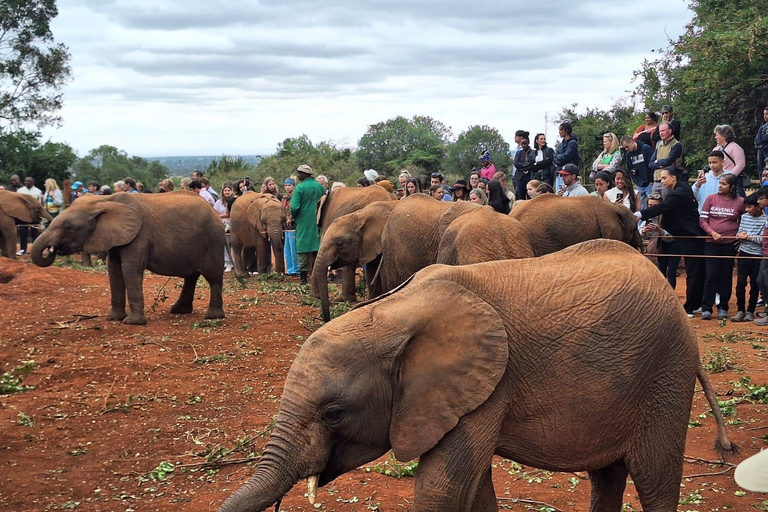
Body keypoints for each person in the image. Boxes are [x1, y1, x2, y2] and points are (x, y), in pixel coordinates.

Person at [635, 167, 705, 317]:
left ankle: (691, 307)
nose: (662, 181)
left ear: (674, 178)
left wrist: (640, 214)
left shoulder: (678, 193)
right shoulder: (682, 188)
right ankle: (696, 303)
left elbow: (662, 207)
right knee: (695, 271)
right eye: (660, 178)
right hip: (680, 235)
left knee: (694, 271)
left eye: (664, 178)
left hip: (691, 236)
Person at [699, 173, 745, 320]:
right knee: (710, 275)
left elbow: (746, 218)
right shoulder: (711, 198)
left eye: (724, 184)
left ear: (732, 187)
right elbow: (703, 220)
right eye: (720, 183)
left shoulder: (740, 202)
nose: (720, 186)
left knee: (726, 275)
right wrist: (712, 233)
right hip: (711, 243)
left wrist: (740, 234)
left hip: (729, 244)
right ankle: (707, 307)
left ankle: (723, 307)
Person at [732, 193, 766, 322]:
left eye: (749, 207)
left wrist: (748, 236)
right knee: (740, 283)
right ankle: (740, 310)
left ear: (758, 207)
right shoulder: (744, 217)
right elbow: (739, 233)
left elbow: (763, 240)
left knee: (754, 284)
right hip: (744, 253)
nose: (746, 210)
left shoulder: (765, 220)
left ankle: (750, 311)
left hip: (757, 255)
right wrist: (741, 236)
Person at [291, 164, 326, 285]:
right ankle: (318, 278)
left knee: (302, 248)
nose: (298, 175)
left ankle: (303, 279)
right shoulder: (320, 187)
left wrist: (293, 216)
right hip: (318, 220)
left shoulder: (300, 188)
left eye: (300, 173)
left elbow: (294, 206)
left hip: (303, 221)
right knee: (317, 246)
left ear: (305, 174)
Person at [641, 192, 675, 283]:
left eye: (655, 206)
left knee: (671, 272)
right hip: (659, 247)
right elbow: (639, 232)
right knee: (660, 271)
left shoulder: (667, 216)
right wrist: (644, 231)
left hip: (672, 246)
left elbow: (672, 237)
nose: (652, 208)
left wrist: (660, 231)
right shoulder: (647, 216)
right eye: (650, 205)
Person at [620, 135, 654, 207]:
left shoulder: (645, 149)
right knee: (641, 207)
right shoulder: (629, 154)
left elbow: (652, 164)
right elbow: (629, 169)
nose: (626, 149)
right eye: (624, 148)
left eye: (627, 146)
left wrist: (651, 180)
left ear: (631, 142)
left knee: (652, 204)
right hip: (639, 184)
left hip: (649, 183)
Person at [648, 122, 683, 192]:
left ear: (670, 131)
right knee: (654, 202)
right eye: (660, 131)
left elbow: (668, 161)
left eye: (663, 131)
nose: (661, 133)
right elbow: (650, 164)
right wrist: (661, 165)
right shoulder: (659, 145)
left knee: (668, 202)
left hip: (669, 182)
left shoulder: (676, 145)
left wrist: (657, 161)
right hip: (656, 181)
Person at [713, 124, 746, 195]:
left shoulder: (735, 148)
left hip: (733, 182)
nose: (715, 137)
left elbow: (740, 164)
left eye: (717, 135)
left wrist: (730, 177)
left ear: (724, 136)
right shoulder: (716, 149)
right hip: (718, 179)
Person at [16, 177, 42, 255]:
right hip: (23, 213)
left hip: (34, 214)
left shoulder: (38, 191)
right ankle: (23, 249)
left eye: (29, 182)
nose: (27, 183)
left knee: (35, 231)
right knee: (23, 231)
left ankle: (35, 249)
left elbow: (40, 204)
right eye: (26, 181)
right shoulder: (20, 191)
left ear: (33, 182)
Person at [214, 184, 235, 272]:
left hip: (233, 224)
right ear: (223, 192)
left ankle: (234, 262)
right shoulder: (219, 202)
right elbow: (214, 213)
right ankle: (227, 263)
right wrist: (223, 216)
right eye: (225, 190)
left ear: (231, 191)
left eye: (228, 190)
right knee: (225, 244)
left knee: (233, 244)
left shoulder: (235, 201)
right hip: (222, 225)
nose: (227, 192)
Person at [553, 122, 579, 192]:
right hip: (559, 172)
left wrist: (559, 157)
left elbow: (566, 156)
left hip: (568, 173)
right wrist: (560, 158)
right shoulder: (561, 144)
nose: (559, 132)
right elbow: (555, 158)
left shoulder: (573, 143)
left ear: (566, 130)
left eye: (561, 130)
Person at [755, 106, 768, 173]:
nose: (765, 116)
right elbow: (757, 140)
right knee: (761, 169)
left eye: (767, 114)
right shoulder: (763, 127)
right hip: (761, 150)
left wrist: (763, 137)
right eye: (764, 114)